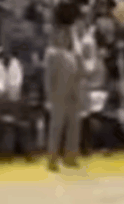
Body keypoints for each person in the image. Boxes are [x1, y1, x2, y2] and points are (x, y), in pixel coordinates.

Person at [45, 1, 83, 172]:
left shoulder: (72, 39)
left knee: (74, 120)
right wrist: (49, 94)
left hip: (73, 80)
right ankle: (52, 158)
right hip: (59, 86)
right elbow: (49, 76)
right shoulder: (52, 51)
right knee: (57, 122)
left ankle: (71, 155)